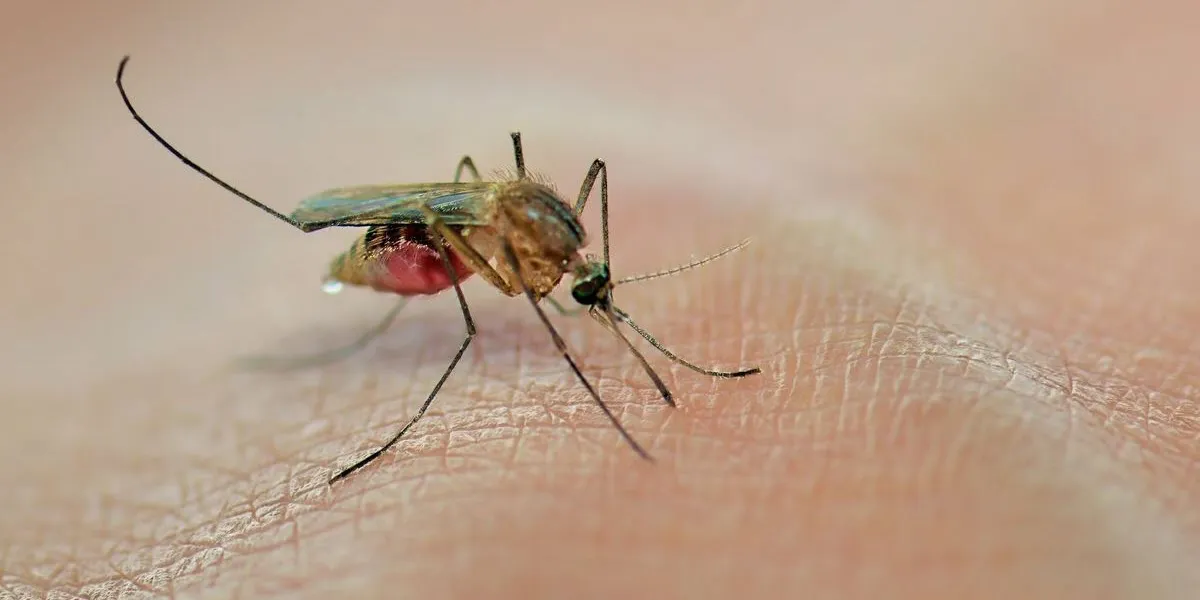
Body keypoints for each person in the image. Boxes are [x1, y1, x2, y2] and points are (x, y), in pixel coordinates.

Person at [2, 1, 1197, 597]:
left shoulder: (571, 245)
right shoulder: (535, 250)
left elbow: (578, 253)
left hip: (482, 229)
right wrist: (561, 331)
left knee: (522, 218)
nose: (586, 286)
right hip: (433, 239)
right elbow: (528, 260)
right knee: (442, 254)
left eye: (589, 285)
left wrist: (625, 328)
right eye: (589, 286)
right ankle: (398, 377)